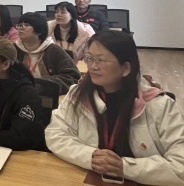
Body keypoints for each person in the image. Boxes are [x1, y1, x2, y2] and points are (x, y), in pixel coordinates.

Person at [46, 31, 184, 185]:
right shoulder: (78, 94)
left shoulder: (159, 106)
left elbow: (180, 167)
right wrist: (91, 156)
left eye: (101, 60)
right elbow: (55, 133)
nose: (93, 66)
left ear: (126, 68)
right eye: (89, 58)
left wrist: (124, 167)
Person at [14, 12, 80, 95]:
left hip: (46, 96)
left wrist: (42, 84)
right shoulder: (13, 49)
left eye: (26, 25)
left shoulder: (53, 50)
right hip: (18, 95)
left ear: (39, 30)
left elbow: (72, 77)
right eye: (20, 25)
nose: (21, 28)